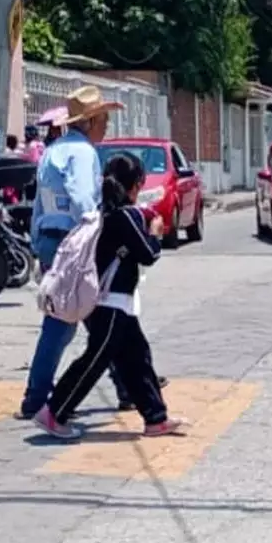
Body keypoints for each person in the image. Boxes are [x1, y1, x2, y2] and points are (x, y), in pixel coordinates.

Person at [20, 87, 162, 419]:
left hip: (53, 239)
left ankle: (127, 385)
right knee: (82, 318)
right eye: (105, 119)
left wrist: (39, 241)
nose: (107, 126)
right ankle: (39, 397)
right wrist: (104, 231)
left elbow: (41, 204)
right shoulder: (83, 154)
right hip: (78, 240)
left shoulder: (53, 151)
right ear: (92, 120)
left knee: (93, 316)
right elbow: (84, 201)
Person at [32, 153, 186, 440]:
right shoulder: (127, 216)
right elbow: (148, 254)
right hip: (110, 304)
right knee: (94, 361)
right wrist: (155, 232)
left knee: (138, 359)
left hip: (114, 305)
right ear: (137, 185)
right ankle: (54, 412)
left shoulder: (107, 213)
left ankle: (156, 418)